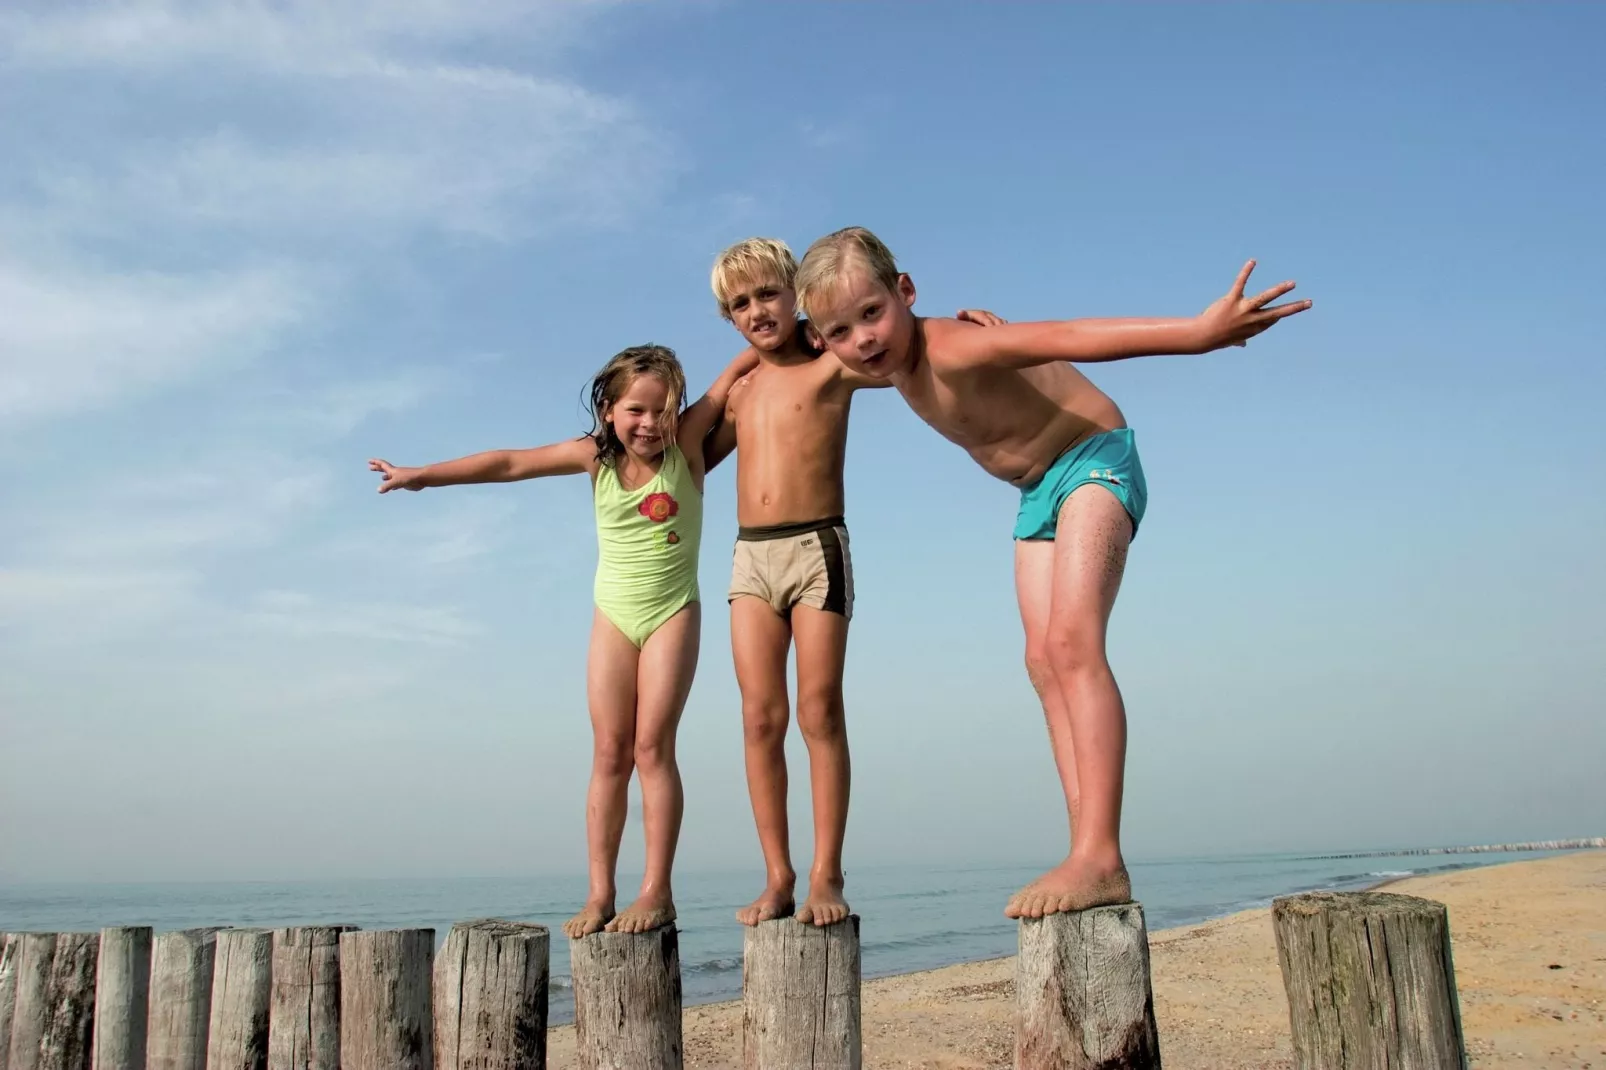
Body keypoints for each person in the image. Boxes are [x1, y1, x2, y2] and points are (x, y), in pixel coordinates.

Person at [794, 226, 1312, 918]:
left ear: (906, 292)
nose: (861, 338)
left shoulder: (955, 344)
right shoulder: (875, 362)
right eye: (839, 330)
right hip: (1037, 494)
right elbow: (790, 356)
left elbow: (1070, 334)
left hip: (1093, 459)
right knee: (1041, 660)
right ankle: (1083, 849)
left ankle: (1101, 854)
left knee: (1073, 643)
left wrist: (1198, 331)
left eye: (872, 313)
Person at [369, 343, 757, 937]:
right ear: (607, 409)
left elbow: (738, 370)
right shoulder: (593, 459)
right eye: (635, 410)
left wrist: (798, 329)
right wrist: (423, 476)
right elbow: (507, 463)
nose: (649, 423)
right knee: (609, 752)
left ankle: (657, 891)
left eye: (662, 410)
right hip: (612, 615)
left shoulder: (687, 446)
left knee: (652, 748)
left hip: (672, 613)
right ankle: (600, 892)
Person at [702, 237, 1004, 927]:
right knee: (758, 717)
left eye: (769, 295)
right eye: (740, 305)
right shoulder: (743, 390)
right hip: (751, 556)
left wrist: (978, 329)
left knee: (817, 710)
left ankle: (824, 873)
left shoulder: (833, 368)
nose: (757, 311)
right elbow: (690, 455)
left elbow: (908, 353)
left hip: (816, 549)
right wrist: (728, 373)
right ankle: (776, 874)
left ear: (798, 296)